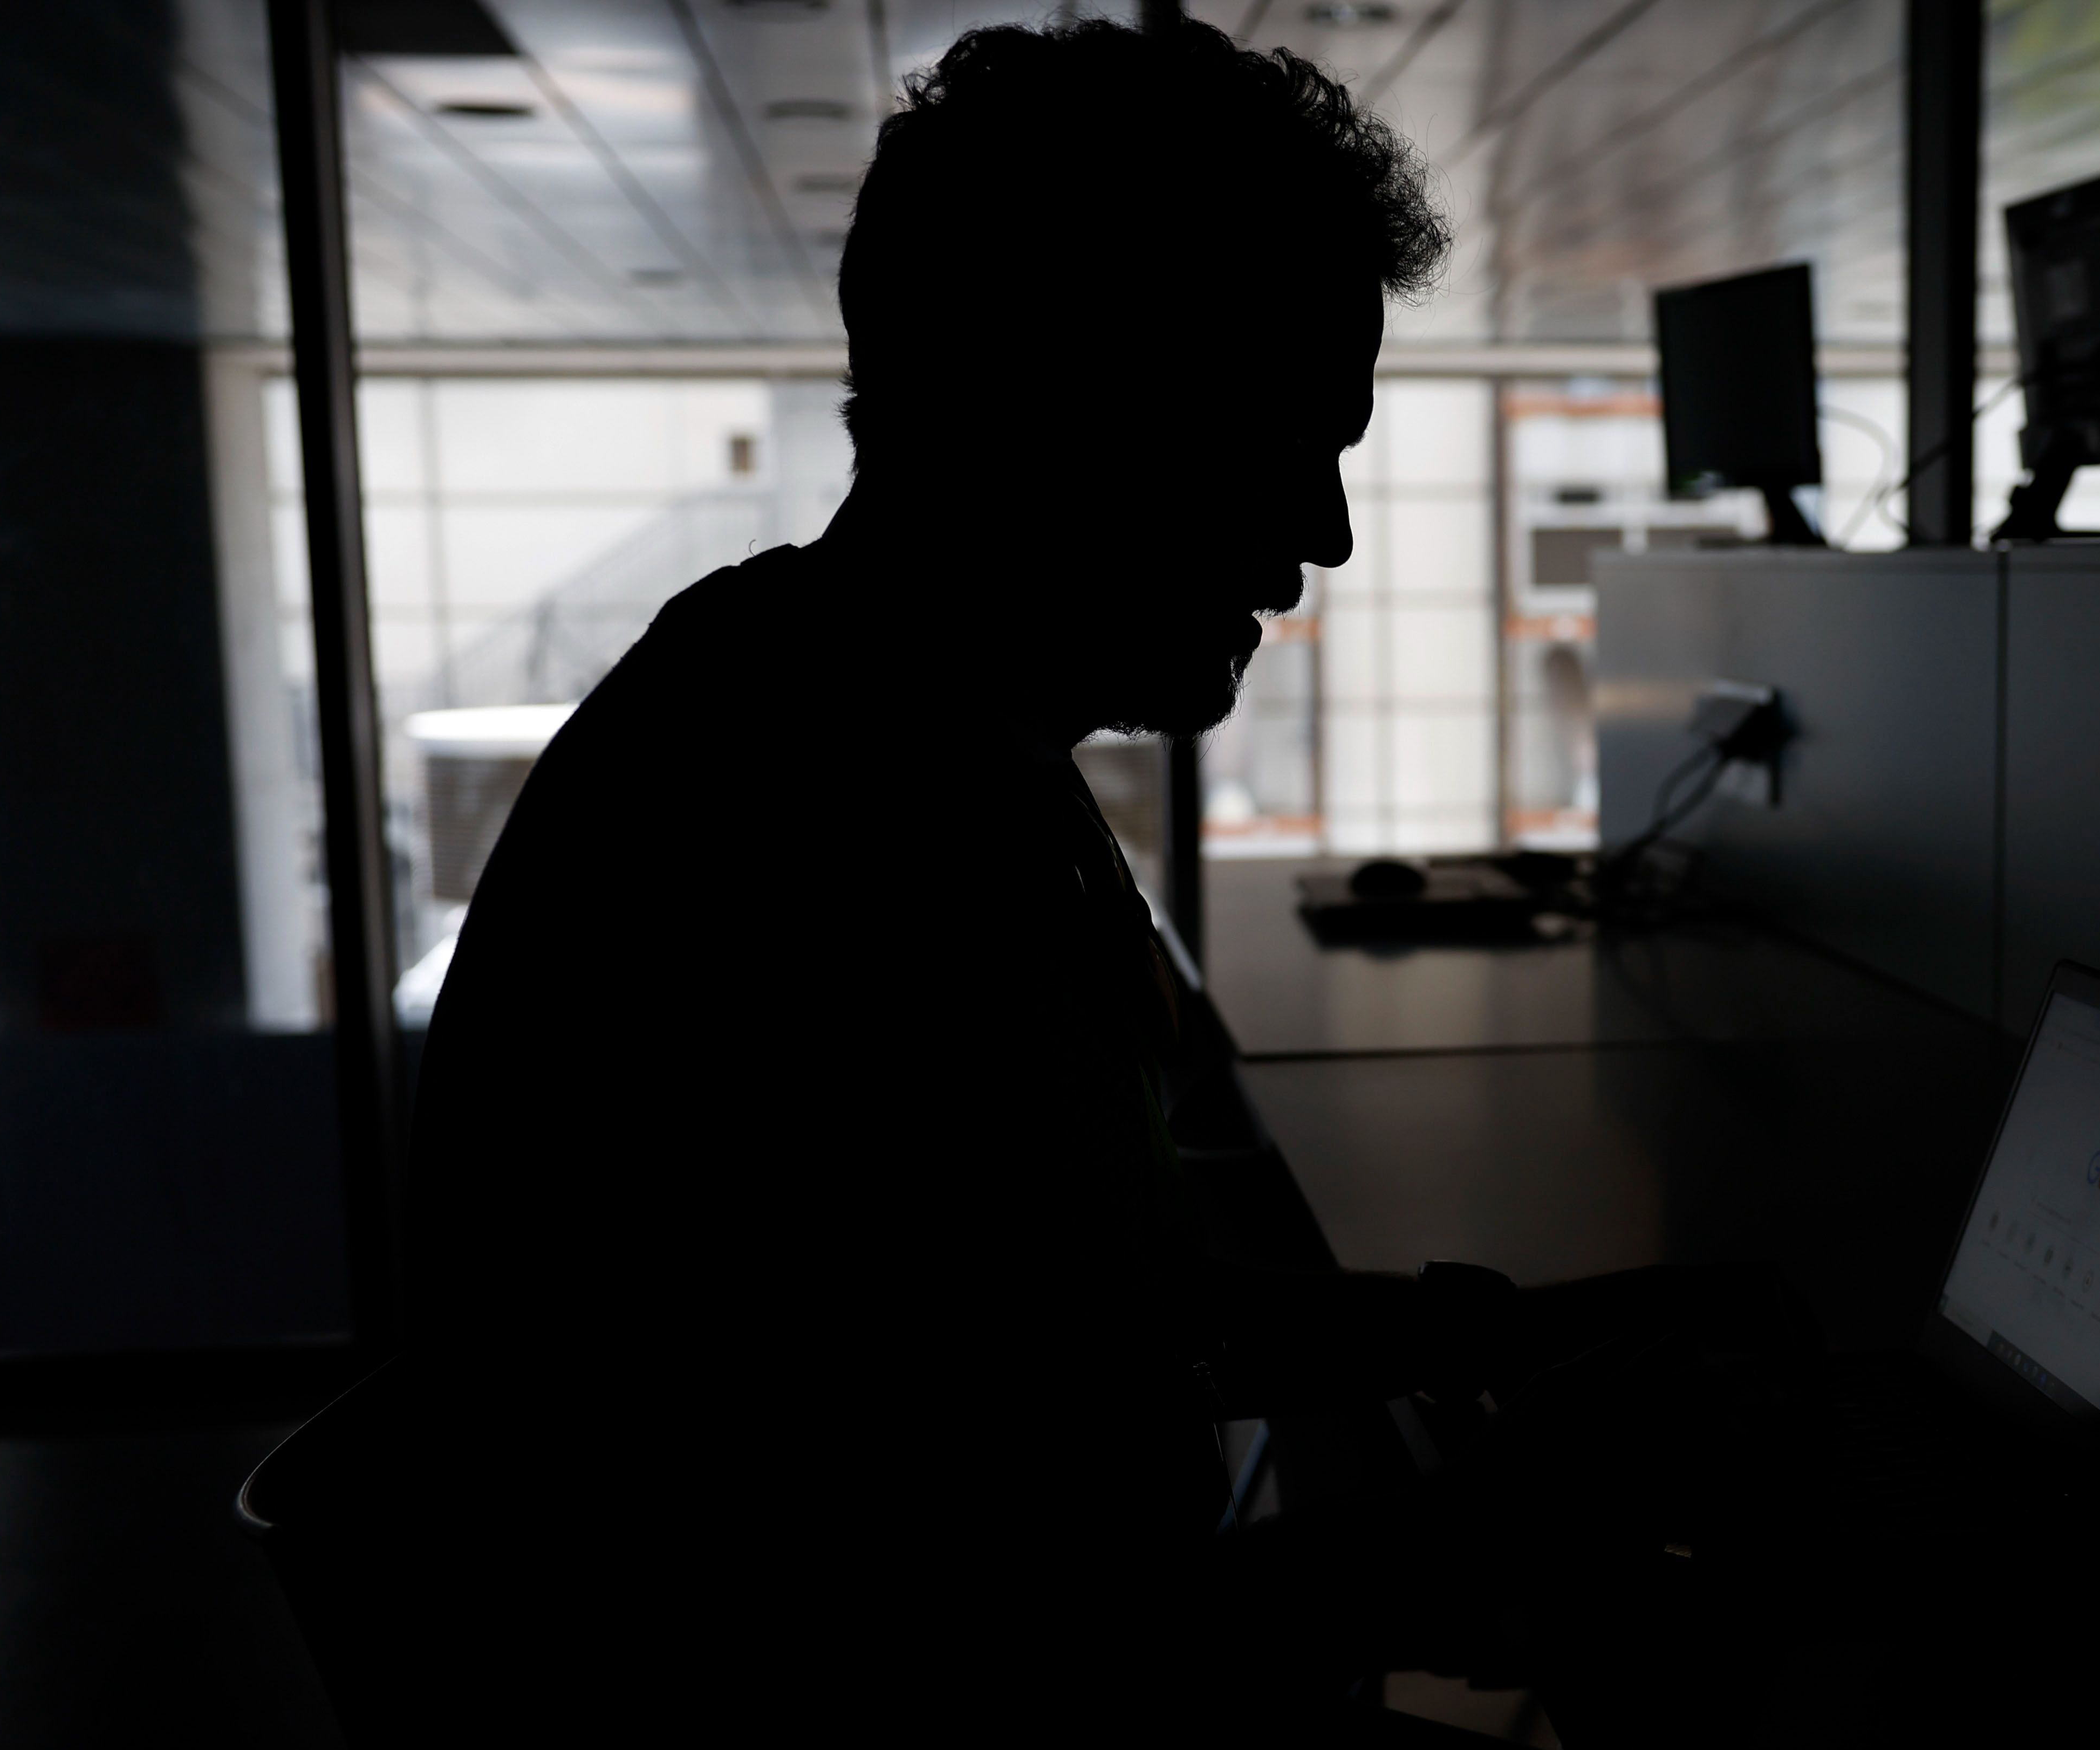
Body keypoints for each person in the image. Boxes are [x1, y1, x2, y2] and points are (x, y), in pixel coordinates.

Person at [332, 16, 1795, 1746]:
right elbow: (1005, 1664)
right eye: (1285, 443)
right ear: (1078, 412)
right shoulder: (866, 838)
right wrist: (1509, 1512)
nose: (1323, 538)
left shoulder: (818, 691)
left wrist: (1485, 1337)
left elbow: (1089, 1304)